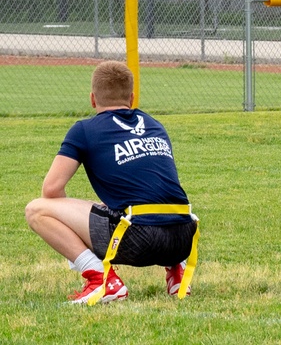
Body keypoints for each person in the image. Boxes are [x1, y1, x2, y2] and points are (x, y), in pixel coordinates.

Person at [24, 61, 198, 305]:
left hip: (139, 238)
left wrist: (76, 227)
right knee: (151, 200)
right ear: (132, 97)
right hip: (182, 238)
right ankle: (177, 273)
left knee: (36, 209)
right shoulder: (156, 125)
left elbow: (51, 190)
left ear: (93, 100)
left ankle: (101, 279)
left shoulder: (84, 129)